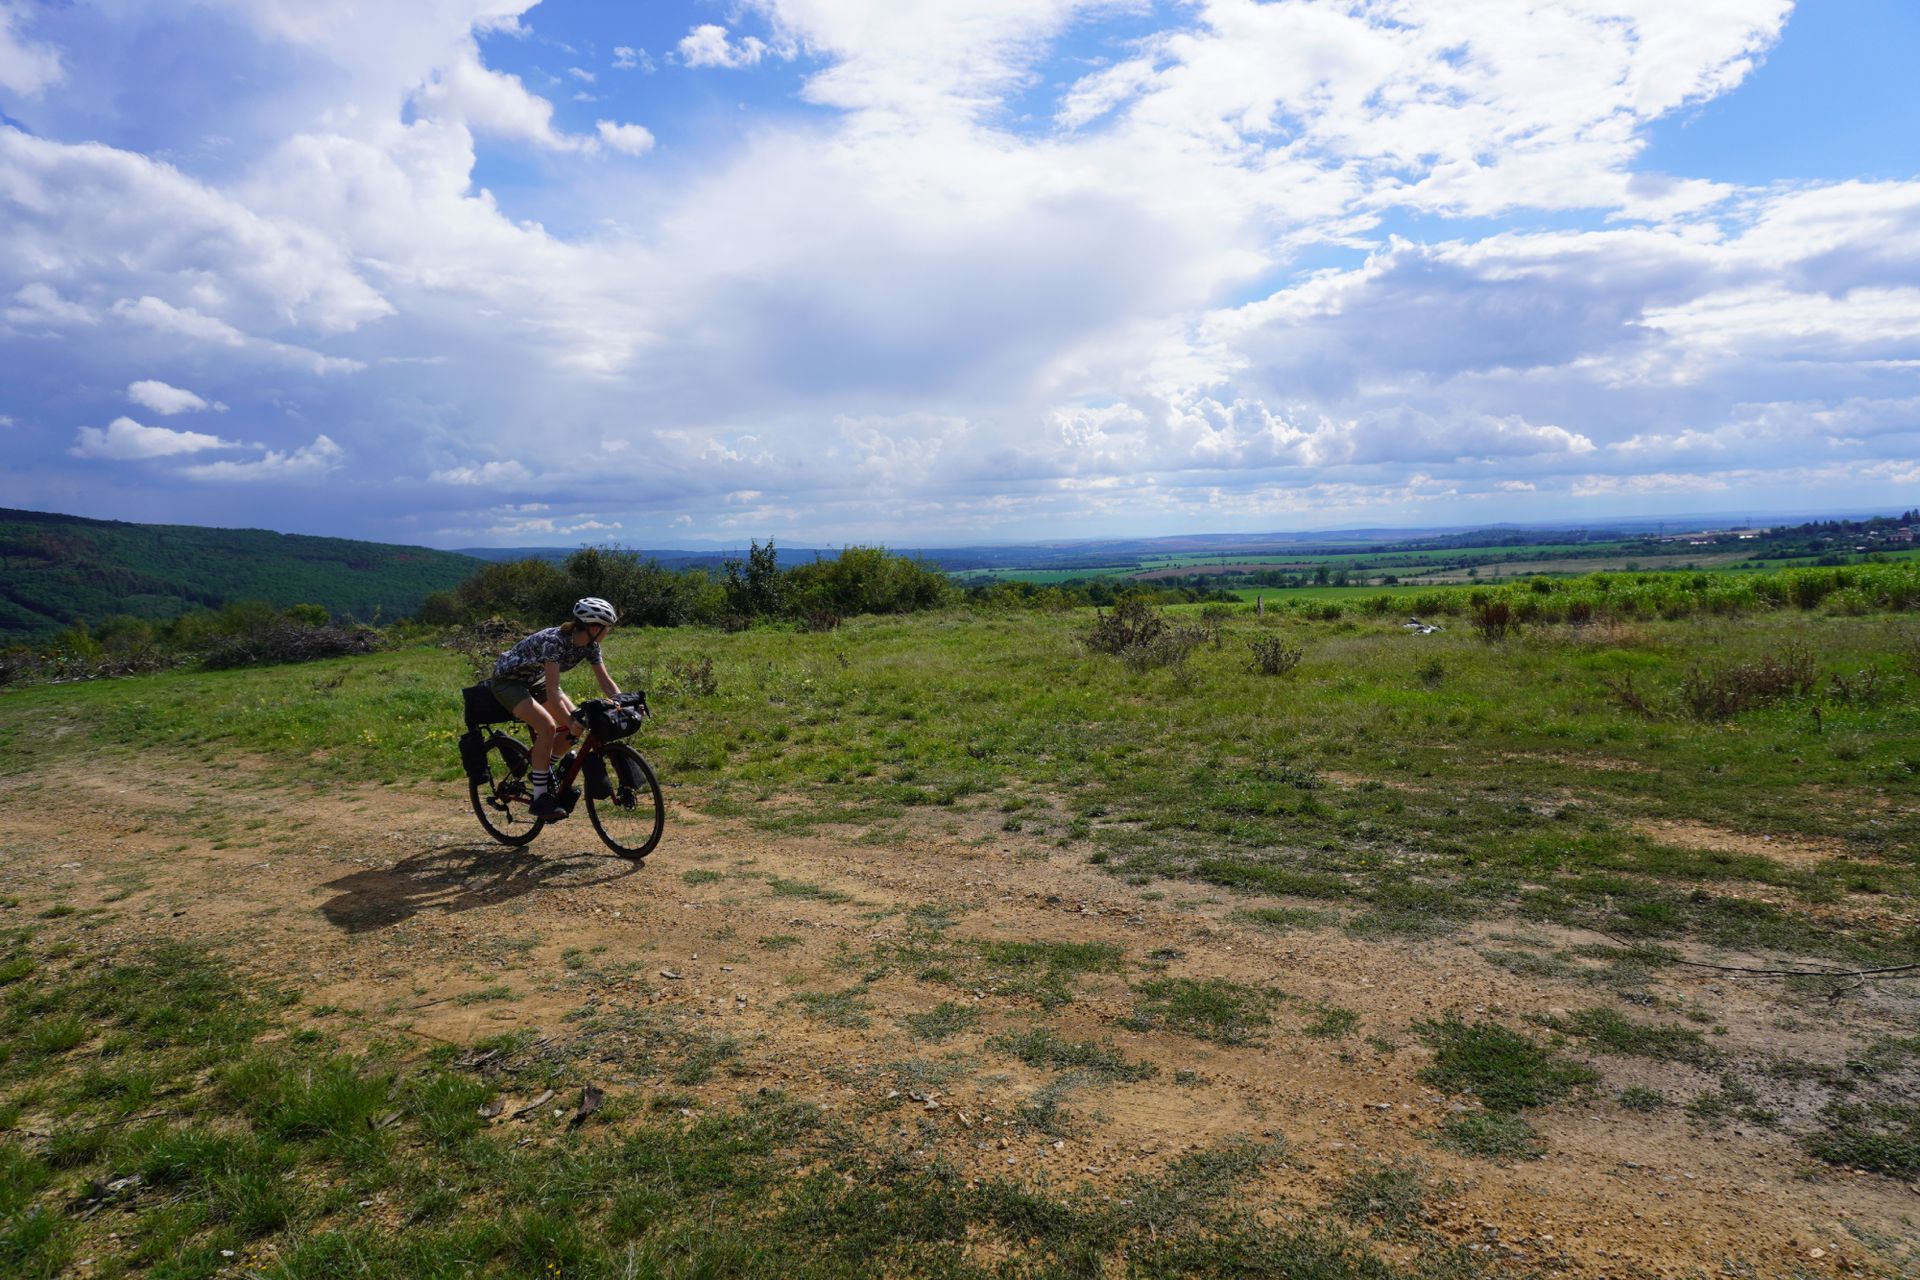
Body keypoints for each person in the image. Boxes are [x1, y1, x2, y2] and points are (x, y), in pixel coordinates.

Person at [486, 597, 621, 820]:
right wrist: (568, 720)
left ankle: (542, 770)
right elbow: (553, 690)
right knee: (548, 726)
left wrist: (622, 703)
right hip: (508, 681)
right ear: (594, 628)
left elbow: (605, 682)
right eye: (607, 628)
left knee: (579, 724)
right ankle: (540, 799)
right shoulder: (555, 642)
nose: (608, 632)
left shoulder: (591, 645)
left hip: (533, 679)